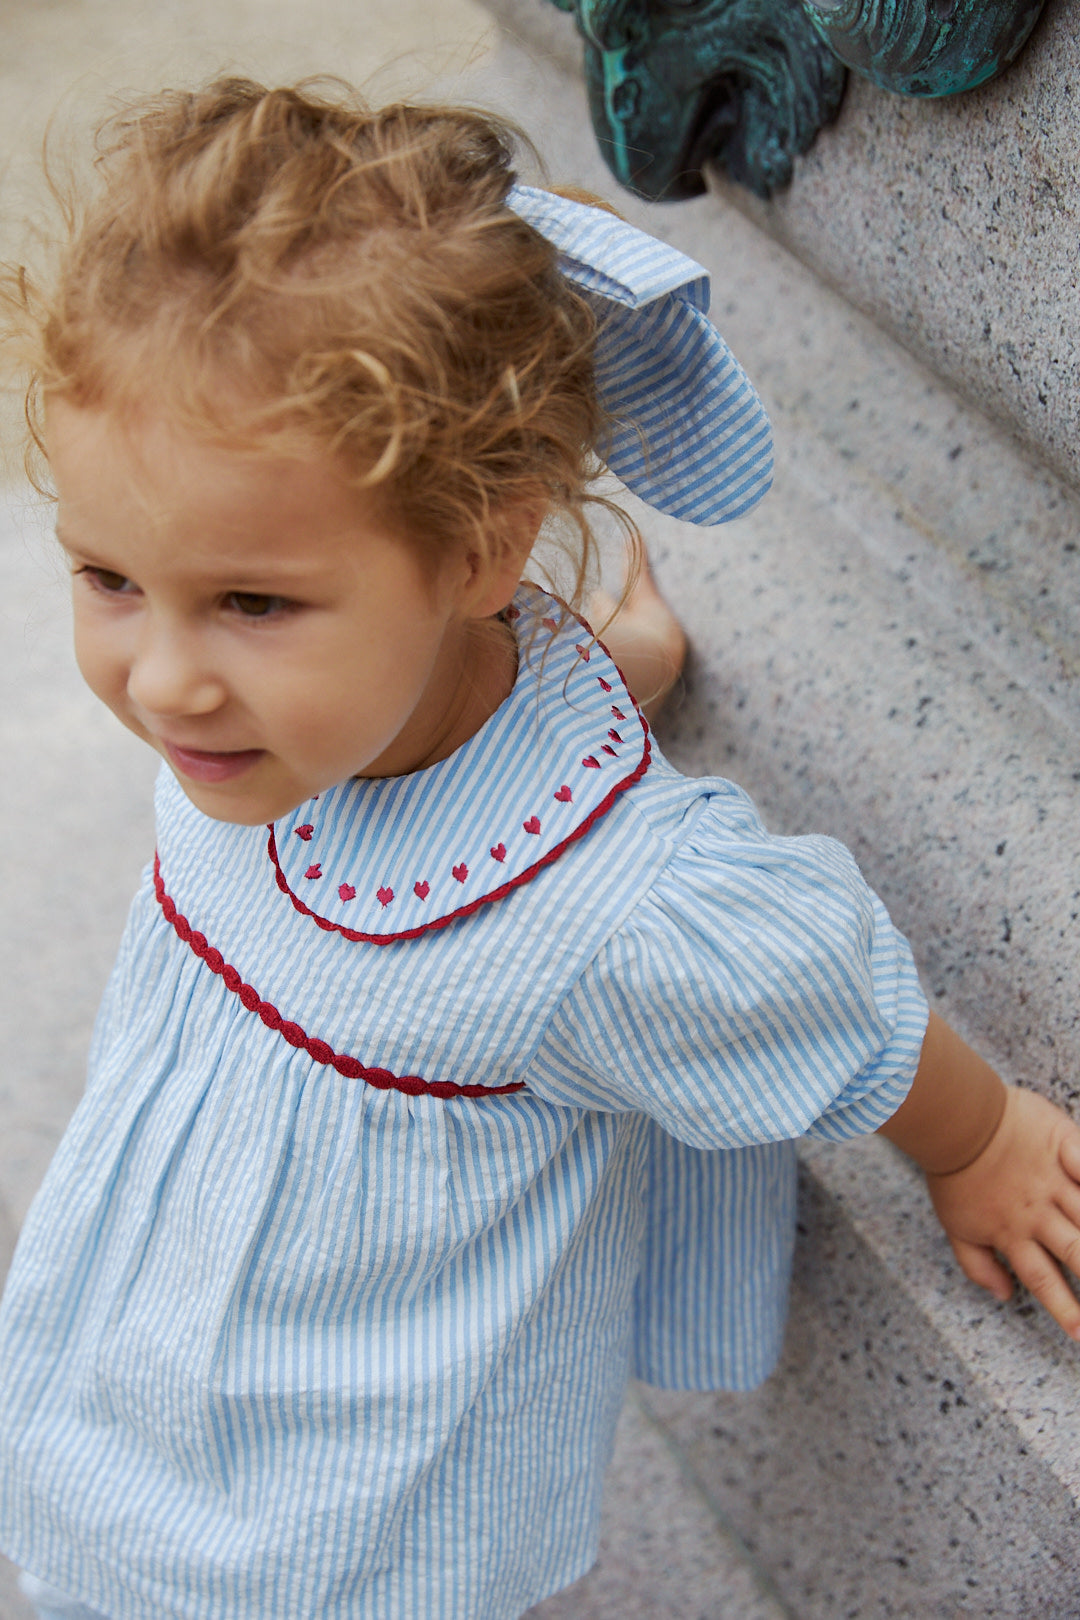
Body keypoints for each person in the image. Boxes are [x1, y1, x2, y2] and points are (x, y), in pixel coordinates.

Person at [0, 78, 1078, 1620]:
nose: (162, 678)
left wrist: (981, 1142)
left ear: (483, 550)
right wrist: (616, 671)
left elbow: (811, 990)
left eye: (252, 603)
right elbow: (462, 702)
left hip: (350, 1505)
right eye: (109, 577)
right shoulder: (280, 725)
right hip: (154, 1372)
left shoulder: (607, 917)